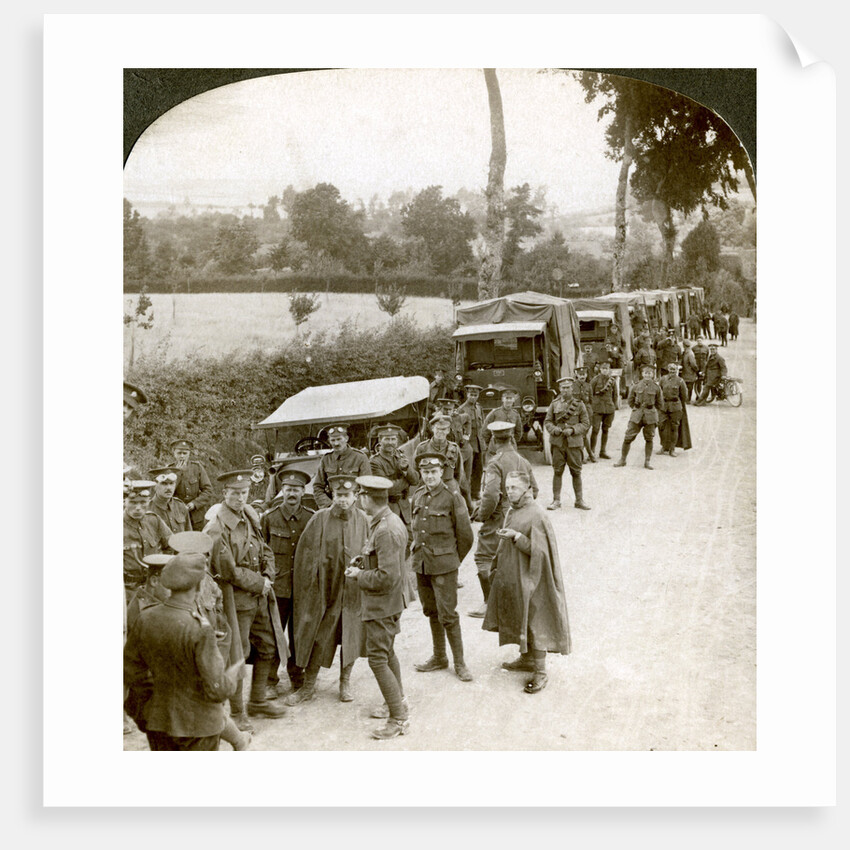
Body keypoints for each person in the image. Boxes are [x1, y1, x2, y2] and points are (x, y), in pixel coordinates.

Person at [123, 552, 241, 751]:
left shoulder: (145, 617)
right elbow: (217, 690)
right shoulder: (200, 628)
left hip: (158, 722)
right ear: (198, 586)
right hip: (199, 728)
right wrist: (232, 676)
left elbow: (131, 671)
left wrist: (149, 706)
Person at [207, 469, 286, 728]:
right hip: (236, 600)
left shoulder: (250, 515)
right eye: (235, 493)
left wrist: (268, 573)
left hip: (258, 596)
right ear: (224, 494)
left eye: (244, 493)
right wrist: (260, 582)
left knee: (267, 646)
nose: (240, 498)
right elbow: (227, 570)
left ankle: (258, 700)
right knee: (237, 656)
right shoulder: (217, 527)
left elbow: (264, 549)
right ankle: (237, 712)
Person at [483, 470, 571, 694]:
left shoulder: (537, 514)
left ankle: (540, 671)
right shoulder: (513, 510)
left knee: (535, 618)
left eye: (514, 487)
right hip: (515, 574)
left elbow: (540, 553)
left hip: (535, 578)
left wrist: (517, 538)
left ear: (526, 488)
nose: (509, 491)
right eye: (507, 487)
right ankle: (526, 658)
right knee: (520, 613)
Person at [286, 474, 368, 706]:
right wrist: (313, 589)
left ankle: (345, 681)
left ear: (355, 496)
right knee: (320, 636)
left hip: (352, 590)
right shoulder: (320, 518)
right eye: (339, 495)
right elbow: (306, 556)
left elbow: (369, 550)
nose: (343, 500)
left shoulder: (362, 519)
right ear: (333, 495)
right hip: (326, 591)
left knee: (351, 635)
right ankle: (308, 686)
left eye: (347, 495)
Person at [167, 530, 252, 751]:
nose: (202, 564)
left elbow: (218, 611)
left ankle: (235, 739)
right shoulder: (178, 584)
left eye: (203, 558)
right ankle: (237, 740)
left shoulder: (209, 582)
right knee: (205, 705)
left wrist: (218, 638)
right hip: (188, 651)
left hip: (207, 645)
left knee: (210, 703)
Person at [345, 475, 410, 740]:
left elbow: (387, 577)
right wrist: (363, 560)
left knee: (377, 659)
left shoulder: (385, 530)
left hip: (383, 605)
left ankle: (398, 719)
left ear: (369, 498)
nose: (359, 499)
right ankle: (398, 701)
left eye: (361, 495)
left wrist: (358, 576)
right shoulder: (385, 521)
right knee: (387, 652)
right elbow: (382, 561)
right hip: (387, 603)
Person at [410, 453, 474, 682]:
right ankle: (439, 657)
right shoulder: (417, 495)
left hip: (444, 566)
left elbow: (466, 536)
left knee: (448, 615)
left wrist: (451, 561)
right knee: (431, 611)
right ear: (421, 473)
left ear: (441, 473)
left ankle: (460, 663)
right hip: (422, 564)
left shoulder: (452, 497)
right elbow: (415, 529)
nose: (429, 476)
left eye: (433, 472)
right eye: (425, 472)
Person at [469, 422, 539, 619]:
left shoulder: (495, 462)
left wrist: (482, 515)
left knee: (484, 557)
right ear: (511, 438)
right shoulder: (522, 461)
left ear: (493, 440)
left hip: (499, 517)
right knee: (512, 557)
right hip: (520, 515)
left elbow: (491, 495)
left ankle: (489, 603)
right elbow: (534, 489)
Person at [261, 468, 315, 696]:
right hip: (278, 588)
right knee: (274, 633)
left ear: (303, 492)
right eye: (288, 489)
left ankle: (297, 676)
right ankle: (269, 680)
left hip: (303, 587)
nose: (292, 493)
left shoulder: (312, 518)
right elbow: (262, 552)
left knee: (299, 633)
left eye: (296, 489)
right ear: (281, 491)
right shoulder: (269, 518)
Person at [543, 376, 591, 511]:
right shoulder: (554, 404)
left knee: (576, 472)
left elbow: (586, 423)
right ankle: (556, 500)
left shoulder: (579, 404)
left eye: (568, 387)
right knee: (557, 471)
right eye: (563, 388)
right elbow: (547, 422)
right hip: (558, 443)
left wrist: (573, 429)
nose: (565, 390)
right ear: (559, 389)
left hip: (574, 444)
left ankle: (579, 500)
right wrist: (555, 429)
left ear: (572, 388)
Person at [123, 481, 172, 602]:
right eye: (133, 503)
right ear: (124, 502)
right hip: (127, 591)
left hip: (154, 588)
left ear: (149, 502)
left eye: (143, 502)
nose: (138, 508)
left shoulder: (153, 520)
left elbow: (171, 545)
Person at [370, 423, 420, 533]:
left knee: (409, 541)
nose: (391, 443)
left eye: (393, 439)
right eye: (387, 439)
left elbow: (416, 480)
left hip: (404, 507)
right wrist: (406, 482)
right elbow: (387, 488)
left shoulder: (401, 455)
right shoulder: (375, 462)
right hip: (388, 508)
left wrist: (406, 468)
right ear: (380, 440)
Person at [311, 423, 372, 509]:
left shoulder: (360, 458)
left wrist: (354, 507)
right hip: (332, 508)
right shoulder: (326, 459)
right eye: (333, 440)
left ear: (346, 438)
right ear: (329, 441)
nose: (336, 443)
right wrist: (329, 505)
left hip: (355, 508)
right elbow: (317, 486)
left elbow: (367, 487)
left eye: (339, 439)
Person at [614, 365, 663, 470]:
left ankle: (647, 461)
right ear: (642, 374)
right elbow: (630, 401)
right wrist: (637, 409)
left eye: (649, 373)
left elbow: (660, 403)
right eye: (645, 373)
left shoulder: (656, 387)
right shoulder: (636, 386)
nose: (647, 375)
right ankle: (622, 459)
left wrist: (652, 411)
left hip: (650, 417)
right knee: (628, 437)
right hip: (637, 416)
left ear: (652, 374)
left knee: (649, 438)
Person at [415, 413, 467, 504]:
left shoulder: (454, 448)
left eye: (444, 429)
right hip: (428, 486)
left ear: (448, 431)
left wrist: (454, 486)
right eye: (438, 429)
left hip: (449, 486)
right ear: (432, 429)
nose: (440, 432)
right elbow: (416, 471)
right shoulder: (422, 448)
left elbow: (459, 472)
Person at [170, 438, 215, 530]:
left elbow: (208, 490)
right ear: (174, 453)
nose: (182, 456)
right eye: (179, 453)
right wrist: (178, 474)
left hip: (196, 516)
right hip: (177, 515)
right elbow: (167, 492)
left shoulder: (197, 468)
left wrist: (194, 503)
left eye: (185, 453)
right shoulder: (169, 470)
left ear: (189, 453)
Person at [457, 383, 486, 499]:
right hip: (467, 446)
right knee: (466, 472)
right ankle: (465, 494)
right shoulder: (461, 409)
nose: (473, 397)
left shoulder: (479, 408)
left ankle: (476, 492)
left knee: (478, 470)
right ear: (467, 395)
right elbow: (458, 428)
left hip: (479, 444)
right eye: (471, 394)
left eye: (475, 395)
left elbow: (482, 426)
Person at [657, 363, 692, 457]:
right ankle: (664, 446)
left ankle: (672, 449)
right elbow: (658, 391)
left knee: (674, 428)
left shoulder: (680, 381)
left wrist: (677, 403)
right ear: (668, 369)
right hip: (664, 406)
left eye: (674, 369)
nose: (672, 371)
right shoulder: (663, 379)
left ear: (677, 370)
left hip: (675, 407)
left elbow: (684, 396)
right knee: (661, 425)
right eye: (671, 369)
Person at [147, 466, 192, 533]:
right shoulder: (148, 509)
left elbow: (189, 535)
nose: (169, 488)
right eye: (164, 484)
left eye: (171, 483)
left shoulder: (180, 506)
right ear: (155, 486)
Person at [482, 388, 523, 459]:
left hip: (511, 445)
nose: (508, 400)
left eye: (511, 398)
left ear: (514, 400)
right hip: (496, 445)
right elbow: (485, 430)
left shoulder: (515, 414)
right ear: (502, 399)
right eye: (507, 398)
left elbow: (519, 431)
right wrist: (489, 443)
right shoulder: (495, 413)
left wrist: (512, 440)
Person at [589, 360, 618, 460]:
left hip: (608, 409)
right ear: (600, 370)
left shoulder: (612, 381)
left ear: (609, 370)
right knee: (595, 430)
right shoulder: (595, 380)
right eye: (603, 369)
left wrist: (613, 407)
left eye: (607, 369)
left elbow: (615, 395)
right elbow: (590, 394)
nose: (605, 370)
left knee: (605, 430)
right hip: (597, 408)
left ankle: (603, 451)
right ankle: (592, 452)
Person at [573, 365, 595, 462]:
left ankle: (585, 455)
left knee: (584, 434)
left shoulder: (588, 386)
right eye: (580, 374)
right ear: (576, 375)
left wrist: (590, 411)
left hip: (587, 411)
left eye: (584, 374)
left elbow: (591, 400)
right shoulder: (572, 386)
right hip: (576, 412)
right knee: (582, 434)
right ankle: (588, 455)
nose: (582, 376)